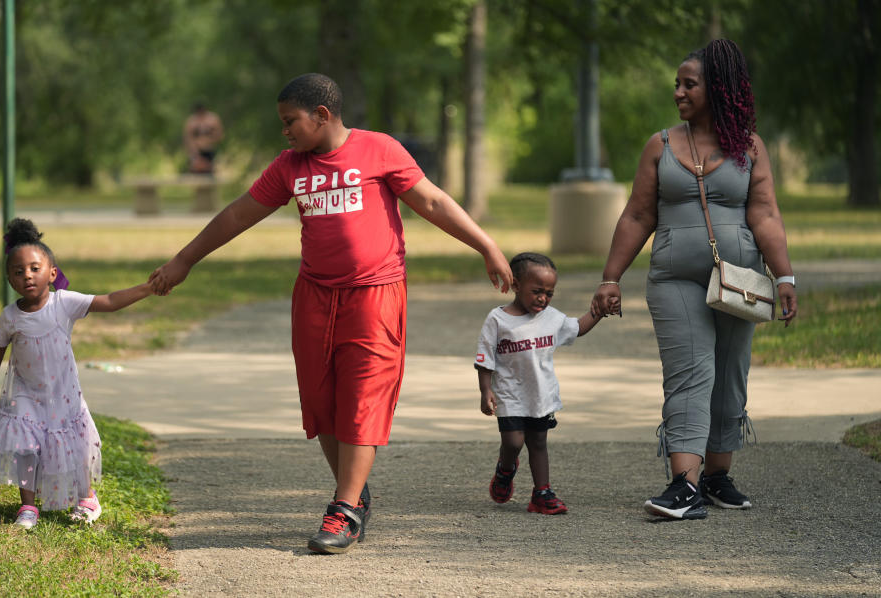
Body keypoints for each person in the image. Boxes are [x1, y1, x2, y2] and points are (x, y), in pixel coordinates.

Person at [150, 73, 512, 554]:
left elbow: (432, 200)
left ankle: (342, 510)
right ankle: (356, 495)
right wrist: (184, 260)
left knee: (363, 396)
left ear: (322, 115)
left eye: (290, 121)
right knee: (323, 404)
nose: (285, 132)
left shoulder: (379, 150)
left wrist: (485, 245)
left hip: (375, 294)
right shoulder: (289, 166)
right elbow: (237, 215)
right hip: (315, 297)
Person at [591, 39, 798, 520]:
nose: (679, 93)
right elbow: (637, 215)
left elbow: (765, 213)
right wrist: (610, 278)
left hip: (740, 279)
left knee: (729, 373)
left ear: (718, 89)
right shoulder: (660, 145)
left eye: (690, 84)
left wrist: (783, 274)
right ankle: (683, 485)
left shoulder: (748, 148)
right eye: (677, 85)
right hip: (674, 278)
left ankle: (716, 476)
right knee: (689, 373)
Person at [0, 218, 155, 529]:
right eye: (18, 272)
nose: (27, 276)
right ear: (9, 279)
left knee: (75, 446)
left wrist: (148, 288)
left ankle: (86, 498)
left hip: (64, 396)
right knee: (24, 447)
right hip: (25, 394)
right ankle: (28, 507)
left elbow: (109, 302)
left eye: (34, 268)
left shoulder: (64, 303)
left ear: (52, 274)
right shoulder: (10, 317)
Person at [476, 252, 606, 515]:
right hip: (509, 394)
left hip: (541, 395)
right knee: (513, 442)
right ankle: (505, 469)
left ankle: (542, 493)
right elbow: (485, 357)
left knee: (538, 442)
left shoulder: (552, 318)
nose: (543, 298)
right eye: (537, 291)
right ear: (515, 285)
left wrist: (599, 311)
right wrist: (485, 390)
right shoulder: (498, 319)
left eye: (549, 293)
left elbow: (578, 327)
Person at [183, 101, 224, 174]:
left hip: (209, 150)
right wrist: (193, 152)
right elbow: (188, 138)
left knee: (209, 173)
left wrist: (209, 140)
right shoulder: (191, 121)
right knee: (196, 173)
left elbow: (220, 135)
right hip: (196, 152)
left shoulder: (213, 119)